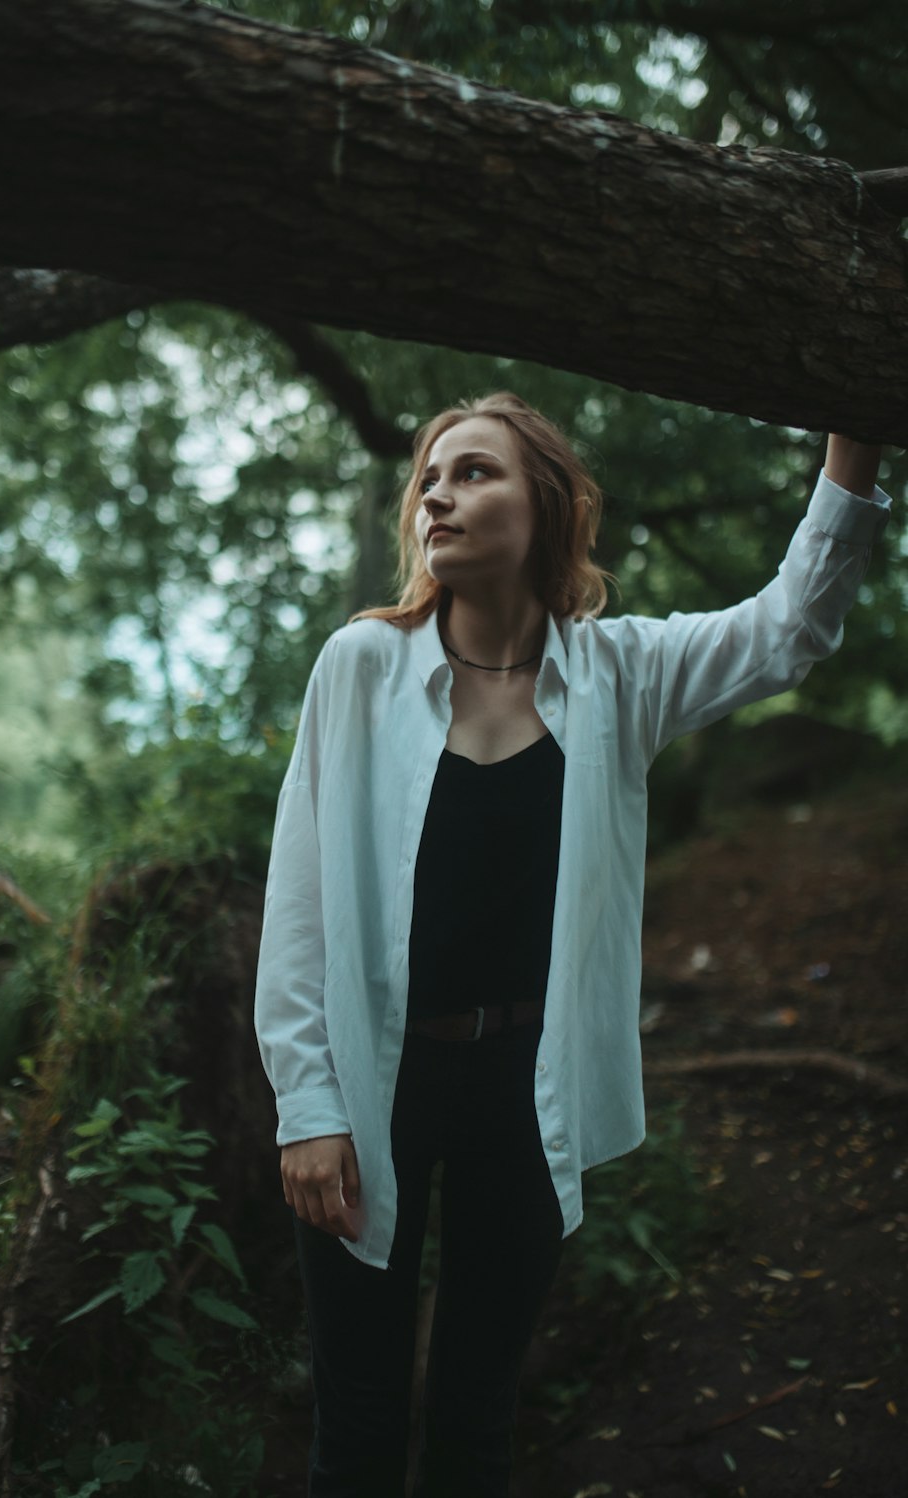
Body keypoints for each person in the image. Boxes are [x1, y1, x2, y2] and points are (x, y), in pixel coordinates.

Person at [254, 392, 890, 1498]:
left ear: (544, 505)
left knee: (474, 1426)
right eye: (428, 479)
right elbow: (298, 900)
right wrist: (306, 1105)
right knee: (353, 1433)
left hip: (524, 1085)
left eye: (473, 473)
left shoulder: (618, 675)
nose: (438, 496)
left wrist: (853, 436)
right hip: (373, 1085)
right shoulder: (359, 668)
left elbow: (789, 627)